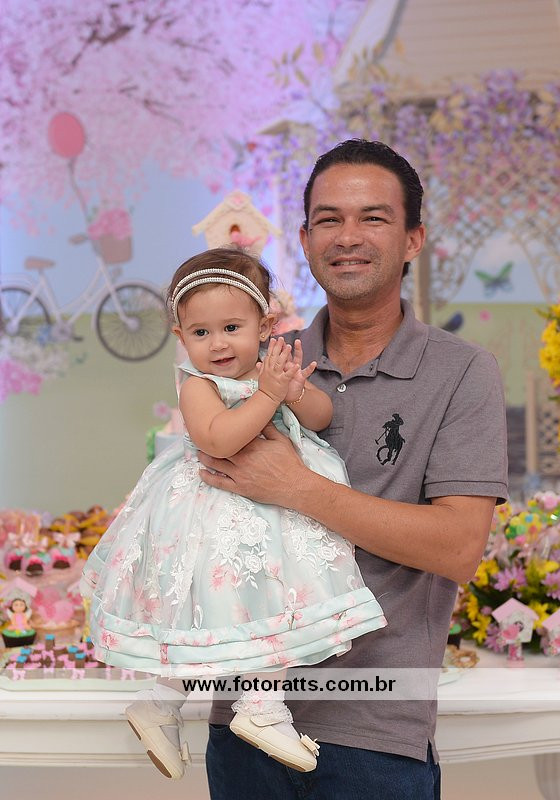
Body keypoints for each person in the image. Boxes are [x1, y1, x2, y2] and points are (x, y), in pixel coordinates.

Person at [200, 140, 508, 800]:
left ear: (412, 238)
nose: (347, 237)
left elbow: (458, 547)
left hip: (376, 731)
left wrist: (296, 488)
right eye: (328, 219)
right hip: (241, 724)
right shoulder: (260, 363)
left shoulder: (460, 372)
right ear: (305, 240)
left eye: (373, 217)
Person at [81, 247, 386, 779]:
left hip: (273, 510)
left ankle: (174, 703)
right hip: (213, 515)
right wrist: (267, 396)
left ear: (264, 325)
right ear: (181, 336)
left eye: (231, 328)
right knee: (225, 606)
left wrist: (294, 392)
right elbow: (219, 439)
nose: (218, 344)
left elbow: (322, 416)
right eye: (201, 333)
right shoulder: (199, 386)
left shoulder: (272, 372)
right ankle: (249, 707)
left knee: (268, 601)